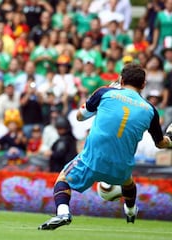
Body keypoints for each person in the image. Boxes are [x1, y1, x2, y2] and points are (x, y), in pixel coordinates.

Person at [38, 63, 172, 230]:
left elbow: (79, 117)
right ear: (143, 85)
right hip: (122, 167)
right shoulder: (151, 110)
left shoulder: (105, 92)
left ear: (121, 80)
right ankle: (130, 210)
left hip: (92, 159)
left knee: (63, 179)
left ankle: (63, 213)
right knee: (128, 183)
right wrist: (169, 136)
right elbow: (161, 143)